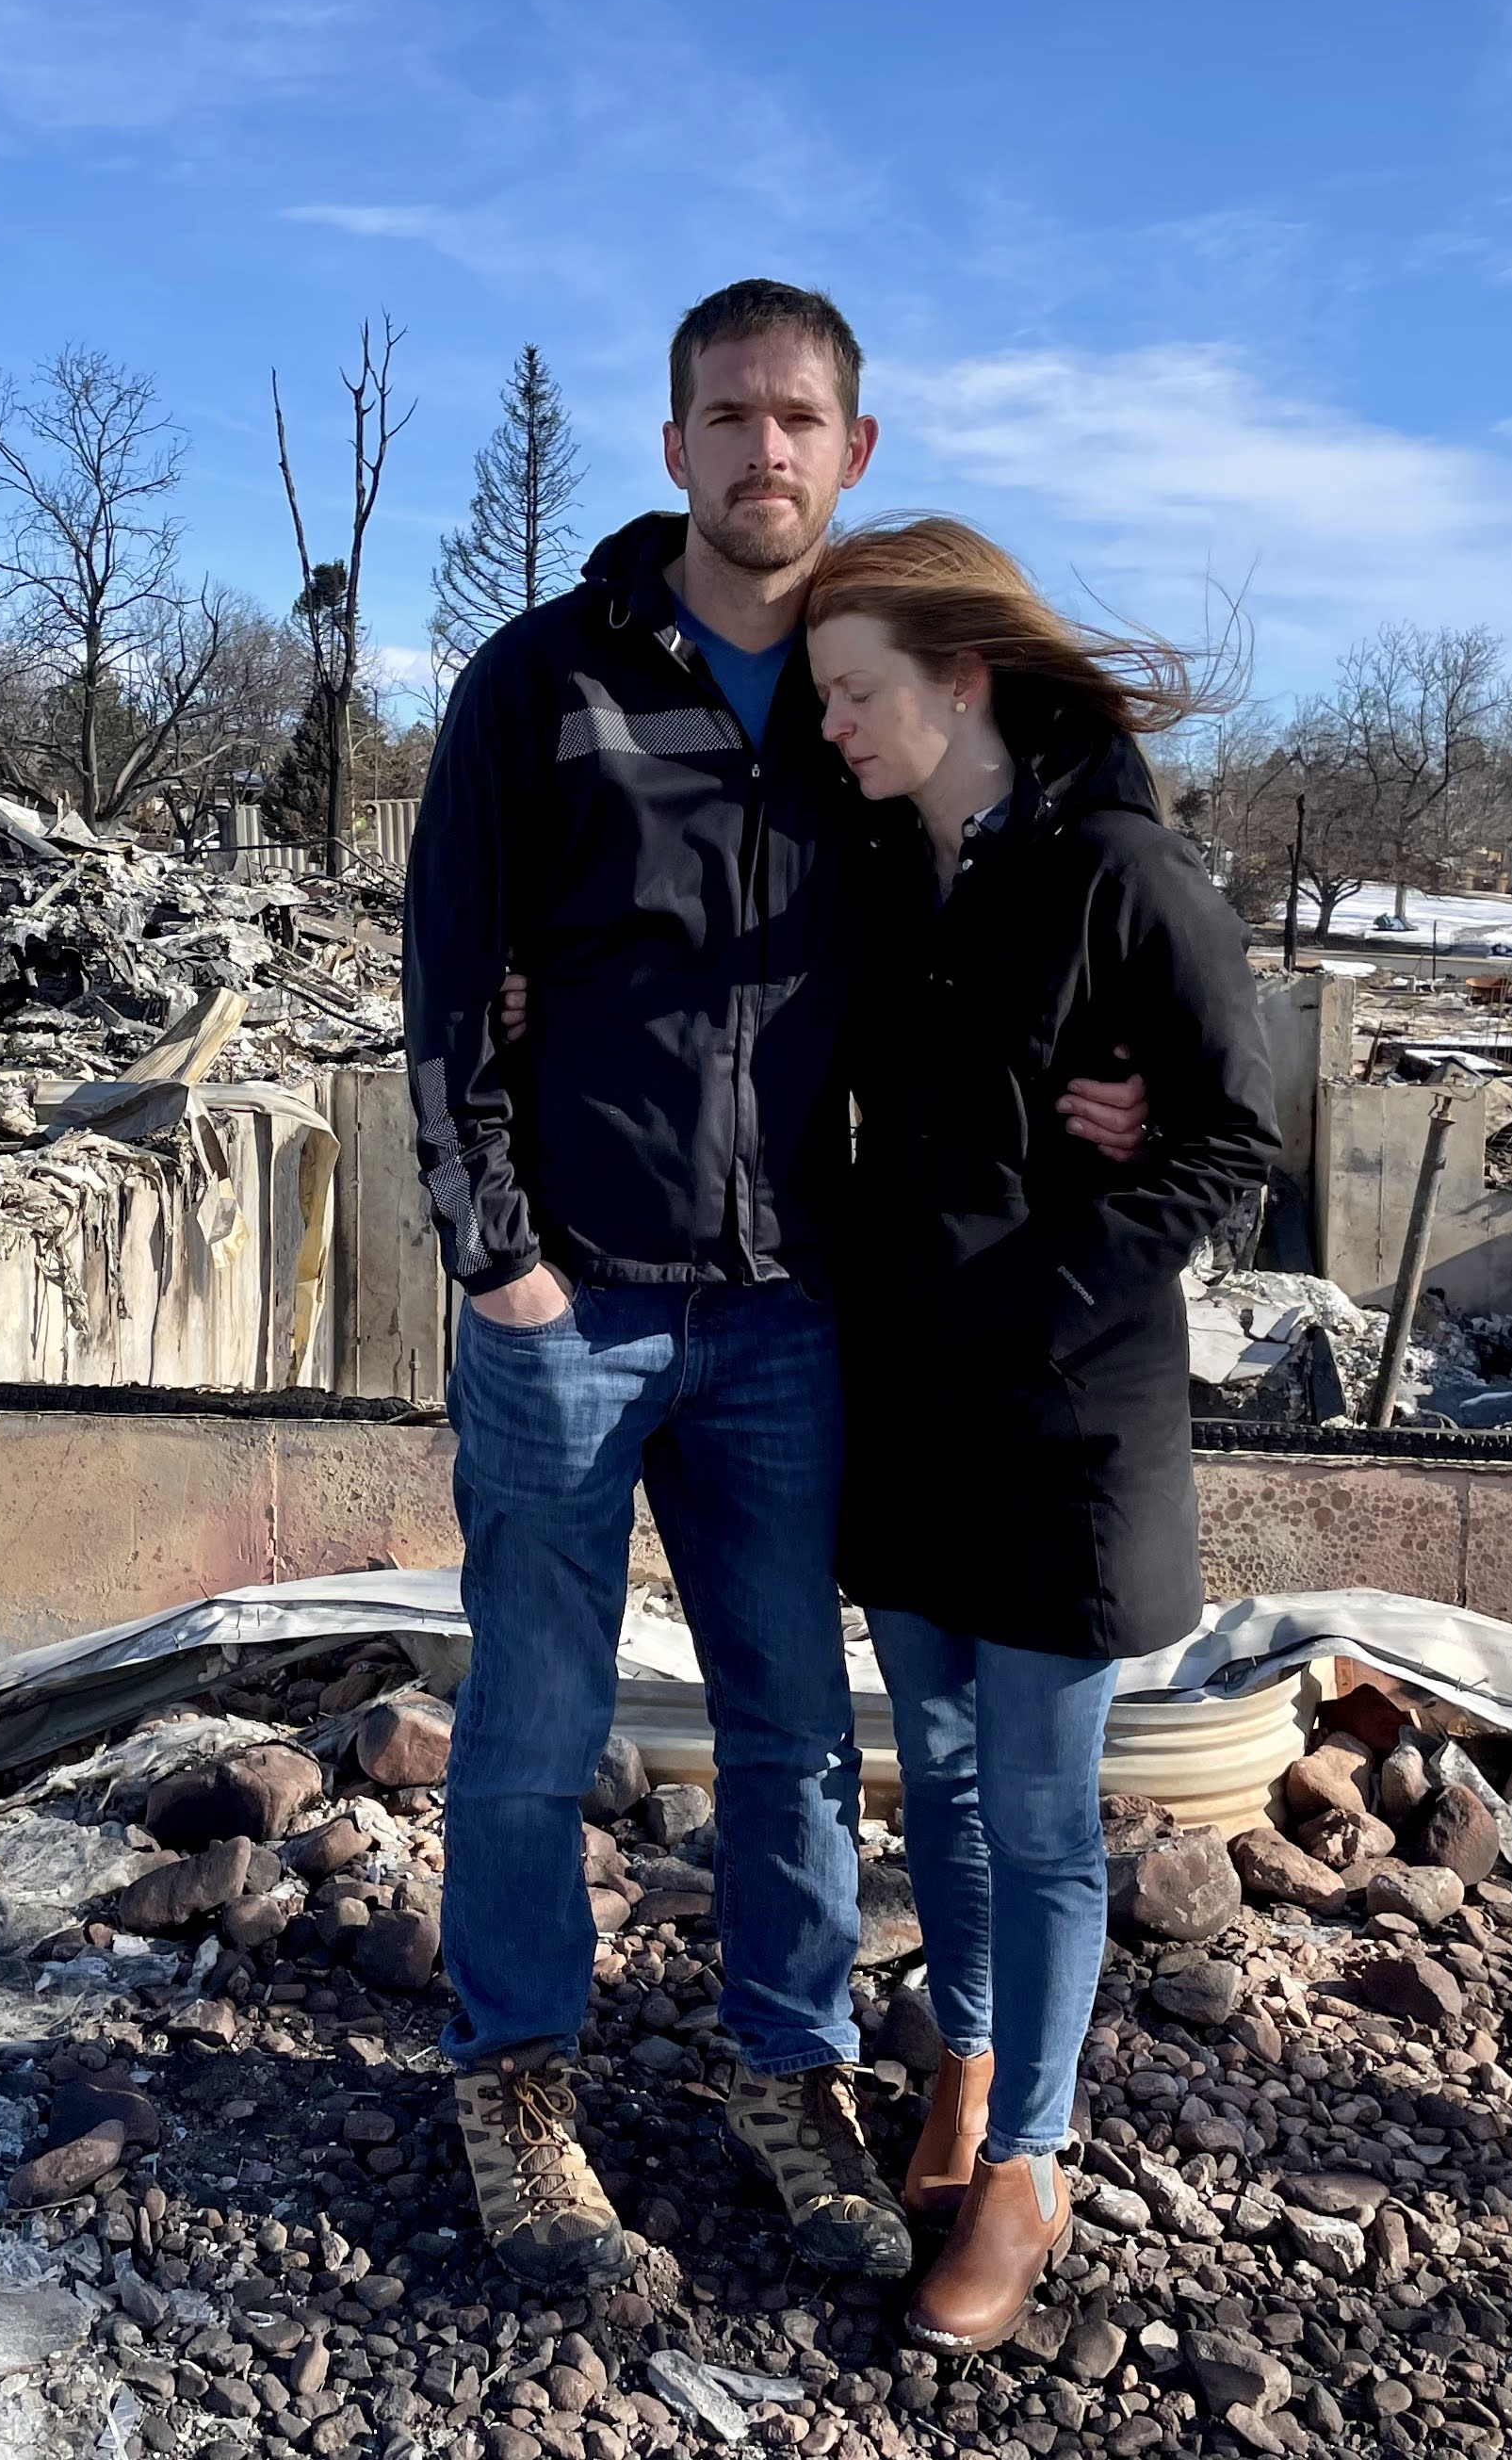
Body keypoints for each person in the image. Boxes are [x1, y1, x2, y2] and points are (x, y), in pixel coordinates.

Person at [400, 283, 1146, 2295]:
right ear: (673, 449)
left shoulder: (863, 695)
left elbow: (1055, 842)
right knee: (536, 1724)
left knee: (795, 1733)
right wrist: (501, 1261)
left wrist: (1140, 1055)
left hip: (789, 1311)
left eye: (799, 417)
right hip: (578, 1299)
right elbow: (452, 984)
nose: (763, 451)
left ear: (856, 450)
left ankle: (785, 2069)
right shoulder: (545, 682)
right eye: (725, 417)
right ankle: (518, 2087)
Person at [801, 515, 1280, 2354]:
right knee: (936, 1776)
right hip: (904, 1413)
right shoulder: (877, 872)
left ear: (960, 680)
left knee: (1037, 1809)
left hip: (1060, 1421)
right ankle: (974, 2058)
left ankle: (1032, 2159)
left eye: (859, 693)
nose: (835, 726)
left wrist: (1072, 1267)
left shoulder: (1126, 875)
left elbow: (1237, 1141)